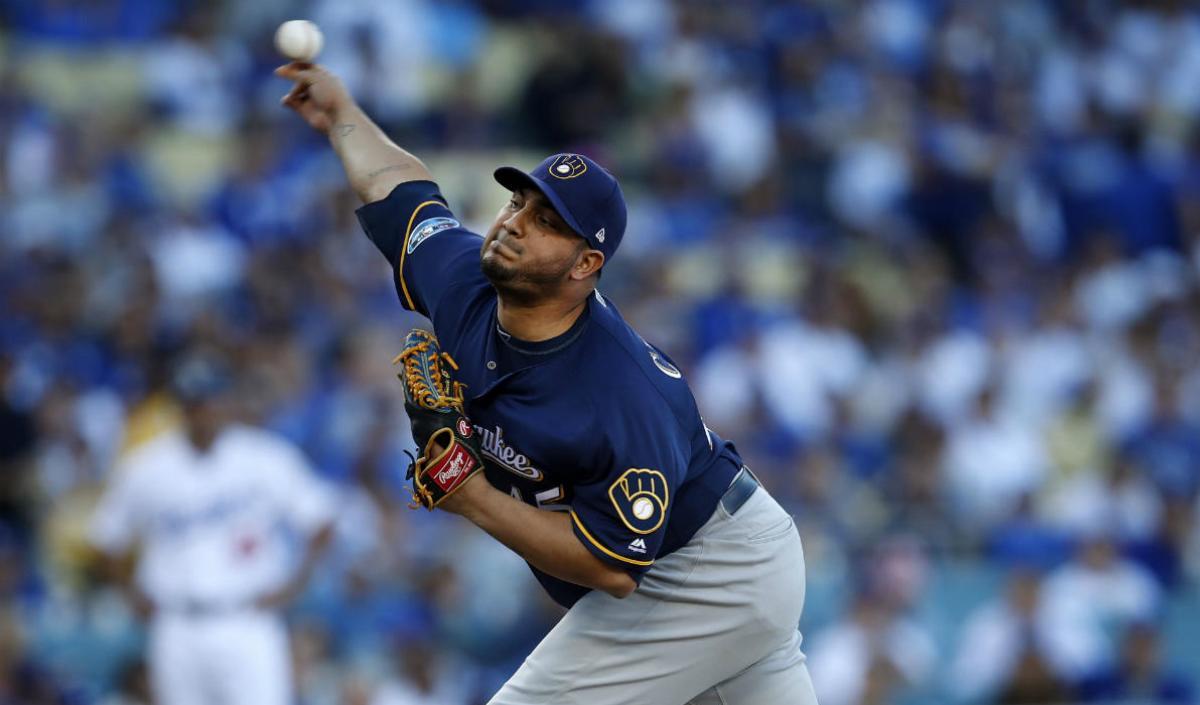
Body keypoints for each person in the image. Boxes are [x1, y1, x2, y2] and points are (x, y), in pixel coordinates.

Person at [276, 62, 818, 705]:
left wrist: (469, 495)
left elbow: (612, 568)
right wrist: (340, 112)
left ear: (586, 264)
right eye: (519, 202)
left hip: (707, 567)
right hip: (706, 563)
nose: (515, 222)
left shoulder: (617, 392)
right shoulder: (464, 280)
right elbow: (400, 188)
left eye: (547, 222)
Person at [89, 354, 337, 705]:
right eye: (194, 402)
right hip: (176, 623)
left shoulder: (262, 456)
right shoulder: (147, 467)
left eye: (210, 399)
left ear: (226, 401)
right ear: (181, 407)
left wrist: (293, 587)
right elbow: (106, 539)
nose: (204, 410)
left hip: (248, 618)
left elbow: (321, 522)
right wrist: (131, 596)